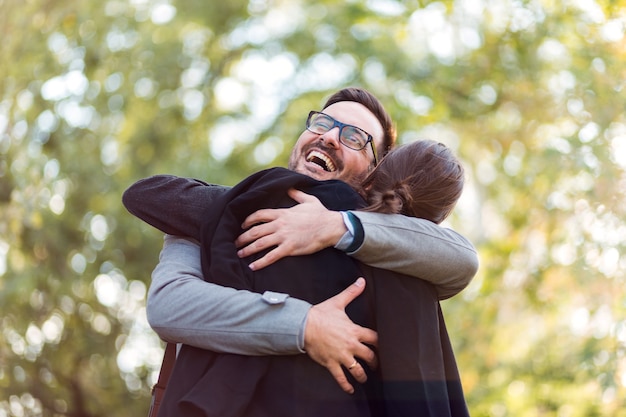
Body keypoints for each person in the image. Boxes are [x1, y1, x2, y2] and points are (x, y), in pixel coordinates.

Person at [123, 87, 478, 410]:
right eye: (324, 122)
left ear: (373, 174)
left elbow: (462, 259)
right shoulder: (221, 217)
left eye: (355, 137)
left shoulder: (395, 248)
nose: (330, 137)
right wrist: (305, 324)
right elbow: (168, 305)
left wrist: (337, 226)